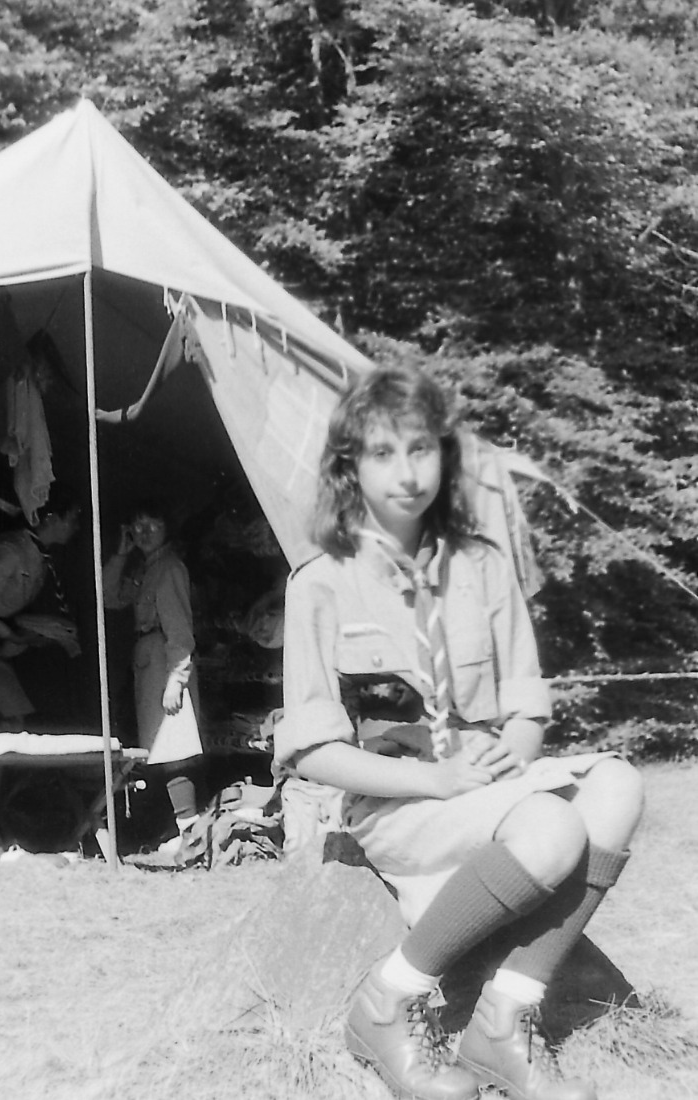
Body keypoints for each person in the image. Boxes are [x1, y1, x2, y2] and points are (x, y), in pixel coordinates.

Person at [274, 365, 644, 1100]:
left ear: (444, 456)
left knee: (619, 785)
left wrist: (515, 751)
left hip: (486, 786)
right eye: (383, 453)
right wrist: (434, 779)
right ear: (349, 467)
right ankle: (388, 1001)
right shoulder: (320, 582)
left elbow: (527, 706)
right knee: (550, 829)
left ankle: (503, 1022)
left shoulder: (482, 565)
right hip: (397, 800)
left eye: (421, 449)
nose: (407, 473)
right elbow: (312, 751)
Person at [103, 499, 206, 867]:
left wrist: (176, 679)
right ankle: (182, 830)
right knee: (160, 748)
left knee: (173, 745)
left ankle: (190, 832)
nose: (144, 533)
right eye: (138, 526)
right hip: (148, 658)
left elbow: (179, 628)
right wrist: (120, 555)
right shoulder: (146, 567)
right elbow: (110, 596)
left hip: (165, 657)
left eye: (152, 526)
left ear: (167, 529)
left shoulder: (170, 568)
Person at [0, 488, 81, 731]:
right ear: (51, 519)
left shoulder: (38, 555)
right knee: (5, 721)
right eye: (72, 519)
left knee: (9, 721)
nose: (76, 526)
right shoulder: (11, 551)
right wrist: (11, 635)